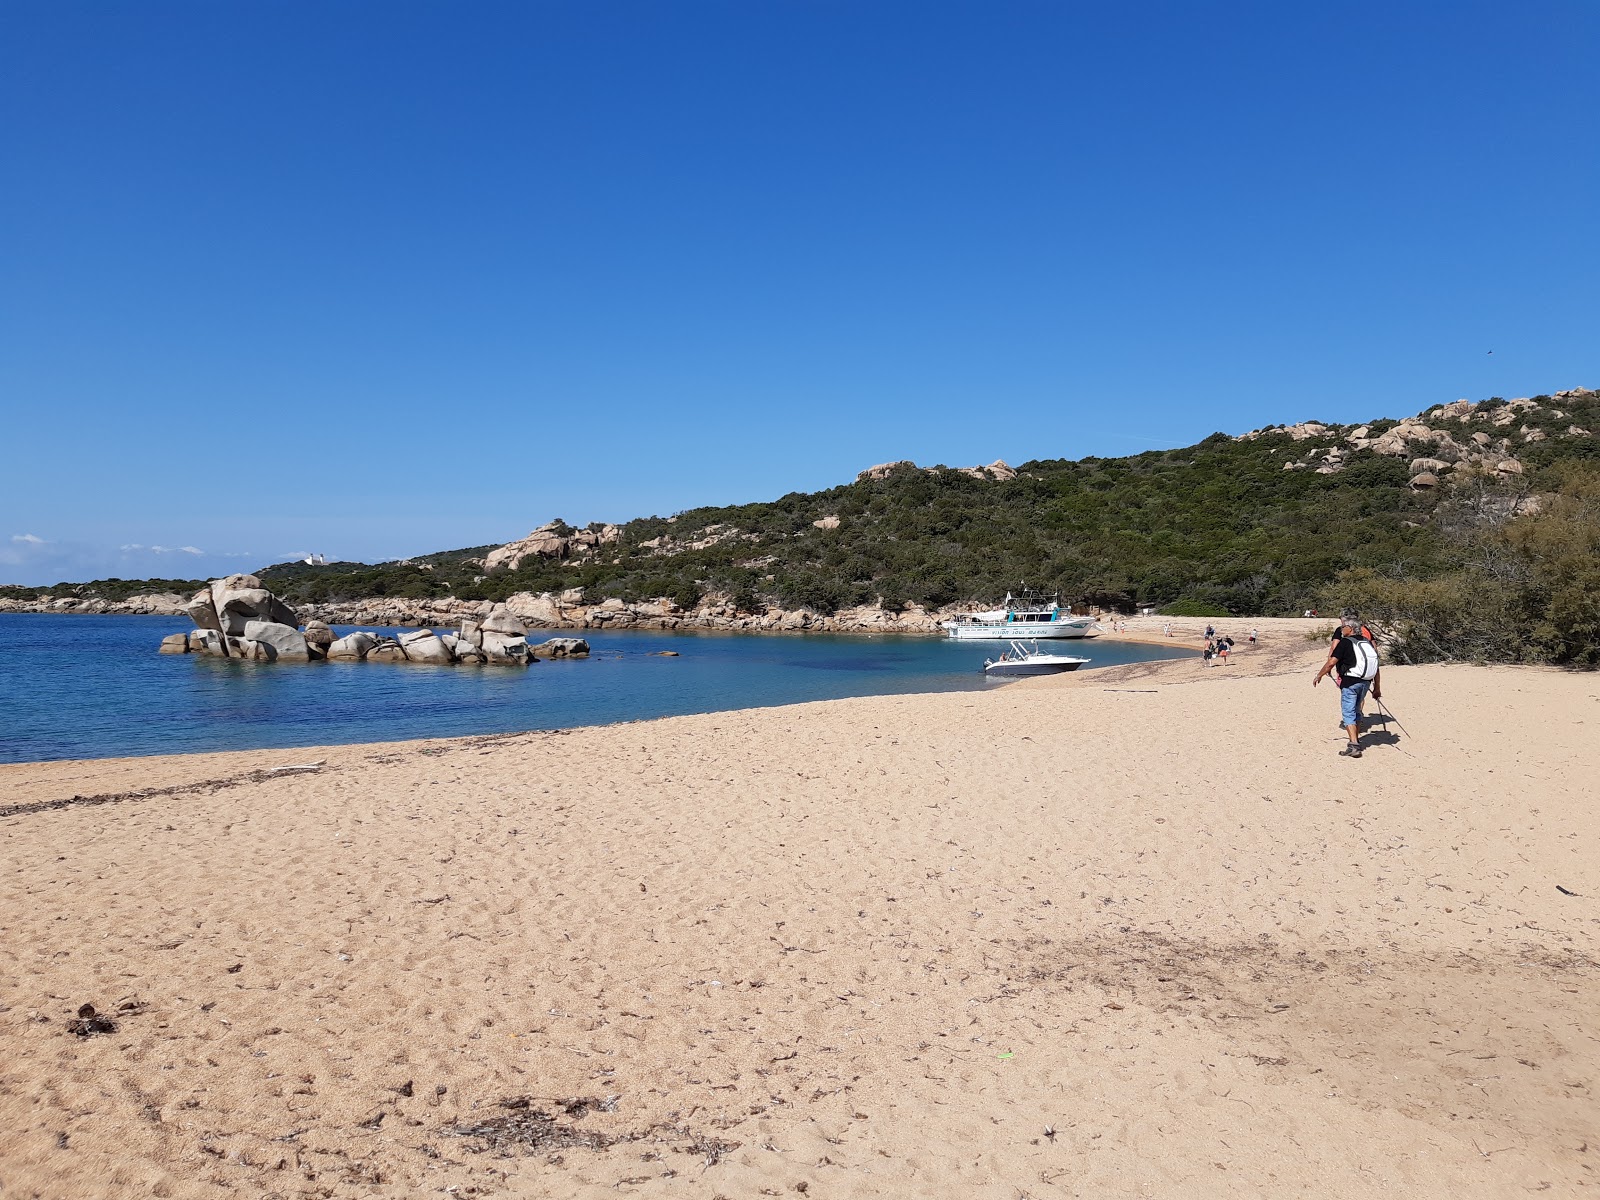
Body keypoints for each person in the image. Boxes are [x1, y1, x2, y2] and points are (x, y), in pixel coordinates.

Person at [1314, 614, 1381, 758]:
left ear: (1350, 628)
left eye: (1343, 627)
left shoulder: (1345, 642)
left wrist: (1319, 675)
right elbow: (1376, 666)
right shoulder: (1366, 642)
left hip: (1350, 682)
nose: (1341, 629)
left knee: (1348, 713)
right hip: (1366, 682)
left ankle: (1354, 746)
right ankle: (1355, 741)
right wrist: (1377, 688)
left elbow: (1331, 662)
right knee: (1357, 710)